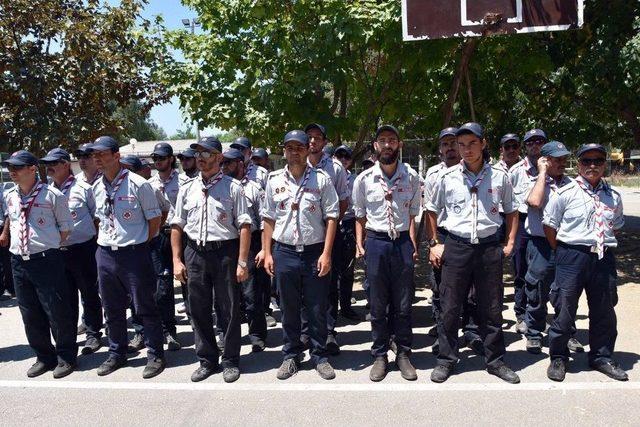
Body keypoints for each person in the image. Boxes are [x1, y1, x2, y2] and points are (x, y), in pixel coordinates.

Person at [427, 122, 520, 384]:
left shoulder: (500, 177)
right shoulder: (446, 177)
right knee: (449, 306)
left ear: (483, 143)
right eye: (461, 144)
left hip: (489, 247)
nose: (466, 150)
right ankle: (446, 359)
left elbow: (511, 211)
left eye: (472, 144)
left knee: (491, 307)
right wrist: (435, 242)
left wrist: (510, 242)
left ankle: (496, 361)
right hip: (456, 247)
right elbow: (431, 211)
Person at [544, 143, 627, 382]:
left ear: (604, 165)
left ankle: (601, 356)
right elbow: (550, 226)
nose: (592, 166)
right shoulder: (564, 193)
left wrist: (598, 246)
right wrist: (564, 251)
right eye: (587, 161)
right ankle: (559, 357)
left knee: (604, 310)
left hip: (602, 257)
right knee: (565, 309)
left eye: (598, 161)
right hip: (571, 255)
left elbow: (615, 228)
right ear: (578, 164)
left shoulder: (614, 196)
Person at [171, 136, 252, 383]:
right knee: (198, 308)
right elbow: (176, 225)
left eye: (206, 154)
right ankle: (207, 359)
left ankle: (230, 360)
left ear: (219, 157)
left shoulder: (233, 188)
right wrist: (176, 259)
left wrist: (241, 262)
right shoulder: (186, 188)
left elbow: (245, 226)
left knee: (228, 308)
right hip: (194, 252)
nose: (200, 159)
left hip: (224, 252)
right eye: (198, 154)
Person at [261, 130, 339, 380]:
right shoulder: (273, 180)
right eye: (289, 147)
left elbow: (332, 217)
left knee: (317, 307)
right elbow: (268, 219)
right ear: (284, 150)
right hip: (284, 252)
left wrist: (326, 253)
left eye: (299, 147)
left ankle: (319, 356)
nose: (294, 151)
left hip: (314, 252)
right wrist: (267, 252)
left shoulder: (322, 179)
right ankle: (291, 355)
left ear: (308, 150)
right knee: (289, 307)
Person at [89, 136, 166, 379]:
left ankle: (155, 354)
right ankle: (117, 353)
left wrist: (139, 242)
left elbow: (154, 220)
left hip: (134, 254)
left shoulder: (138, 184)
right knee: (111, 308)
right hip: (105, 253)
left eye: (102, 154)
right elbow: (99, 219)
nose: (97, 159)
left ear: (116, 156)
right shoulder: (96, 187)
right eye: (95, 155)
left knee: (145, 306)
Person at [353, 125, 421, 382]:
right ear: (375, 146)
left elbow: (413, 215)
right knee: (378, 303)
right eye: (382, 140)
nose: (387, 145)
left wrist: (412, 244)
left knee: (404, 302)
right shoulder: (364, 179)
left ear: (399, 145)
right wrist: (360, 244)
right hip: (377, 242)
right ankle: (380, 354)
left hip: (402, 242)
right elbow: (359, 215)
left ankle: (403, 353)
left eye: (392, 140)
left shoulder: (412, 177)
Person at [2, 150, 76, 378]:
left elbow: (65, 230)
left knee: (56, 310)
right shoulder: (10, 196)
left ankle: (66, 356)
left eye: (18, 167)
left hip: (45, 260)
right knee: (30, 313)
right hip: (19, 261)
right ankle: (44, 356)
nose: (12, 171)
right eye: (10, 167)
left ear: (33, 169)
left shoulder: (52, 195)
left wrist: (45, 245)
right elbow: (11, 220)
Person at [40, 148, 103, 356]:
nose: (49, 167)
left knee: (89, 293)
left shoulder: (84, 188)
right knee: (65, 298)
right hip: (57, 251)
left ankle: (94, 334)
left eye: (54, 163)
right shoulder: (46, 192)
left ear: (66, 164)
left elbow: (97, 218)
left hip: (83, 248)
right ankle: (70, 337)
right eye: (47, 163)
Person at [425, 127, 482, 355]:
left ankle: (471, 331)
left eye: (453, 143)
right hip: (443, 234)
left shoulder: (476, 172)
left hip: (468, 236)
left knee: (472, 288)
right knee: (441, 288)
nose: (450, 148)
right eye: (445, 144)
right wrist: (433, 244)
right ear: (440, 149)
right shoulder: (433, 174)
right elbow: (428, 211)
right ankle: (444, 335)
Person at [522, 141, 583, 354]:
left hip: (565, 245)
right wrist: (542, 174)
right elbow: (536, 202)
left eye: (564, 159)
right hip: (540, 245)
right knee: (537, 291)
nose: (562, 163)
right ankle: (534, 333)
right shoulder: (533, 180)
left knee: (565, 292)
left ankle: (566, 332)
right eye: (556, 159)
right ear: (545, 160)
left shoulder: (573, 183)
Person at [304, 123, 350, 355]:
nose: (313, 141)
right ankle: (305, 331)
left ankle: (329, 331)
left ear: (324, 142)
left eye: (317, 138)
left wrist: (329, 224)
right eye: (309, 137)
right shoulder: (296, 164)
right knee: (302, 283)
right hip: (303, 237)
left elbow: (343, 199)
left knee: (329, 283)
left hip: (328, 235)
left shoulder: (336, 168)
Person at [221, 148, 268, 352]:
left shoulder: (254, 189)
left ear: (240, 164)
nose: (224, 167)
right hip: (227, 244)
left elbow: (265, 220)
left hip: (251, 244)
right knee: (225, 294)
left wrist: (264, 248)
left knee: (251, 293)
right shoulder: (220, 186)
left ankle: (256, 334)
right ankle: (226, 333)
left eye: (228, 163)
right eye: (223, 163)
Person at [509, 128, 547, 334]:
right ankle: (521, 313)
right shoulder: (515, 171)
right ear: (525, 146)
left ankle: (540, 313)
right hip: (521, 222)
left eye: (539, 141)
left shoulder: (551, 168)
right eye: (530, 142)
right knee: (521, 270)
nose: (535, 145)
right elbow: (507, 204)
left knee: (543, 273)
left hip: (545, 224)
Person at [148, 143, 182, 351]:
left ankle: (199, 326)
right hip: (160, 236)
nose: (158, 162)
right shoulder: (149, 184)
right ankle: (168, 330)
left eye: (161, 158)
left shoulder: (185, 181)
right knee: (163, 287)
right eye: (155, 158)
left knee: (189, 285)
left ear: (170, 159)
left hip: (182, 235)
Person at [332, 145, 359, 320]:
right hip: (330, 226)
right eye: (339, 156)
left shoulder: (355, 179)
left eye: (346, 157)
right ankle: (331, 310)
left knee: (348, 269)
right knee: (331, 271)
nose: (343, 160)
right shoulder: (325, 176)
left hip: (348, 224)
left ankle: (346, 307)